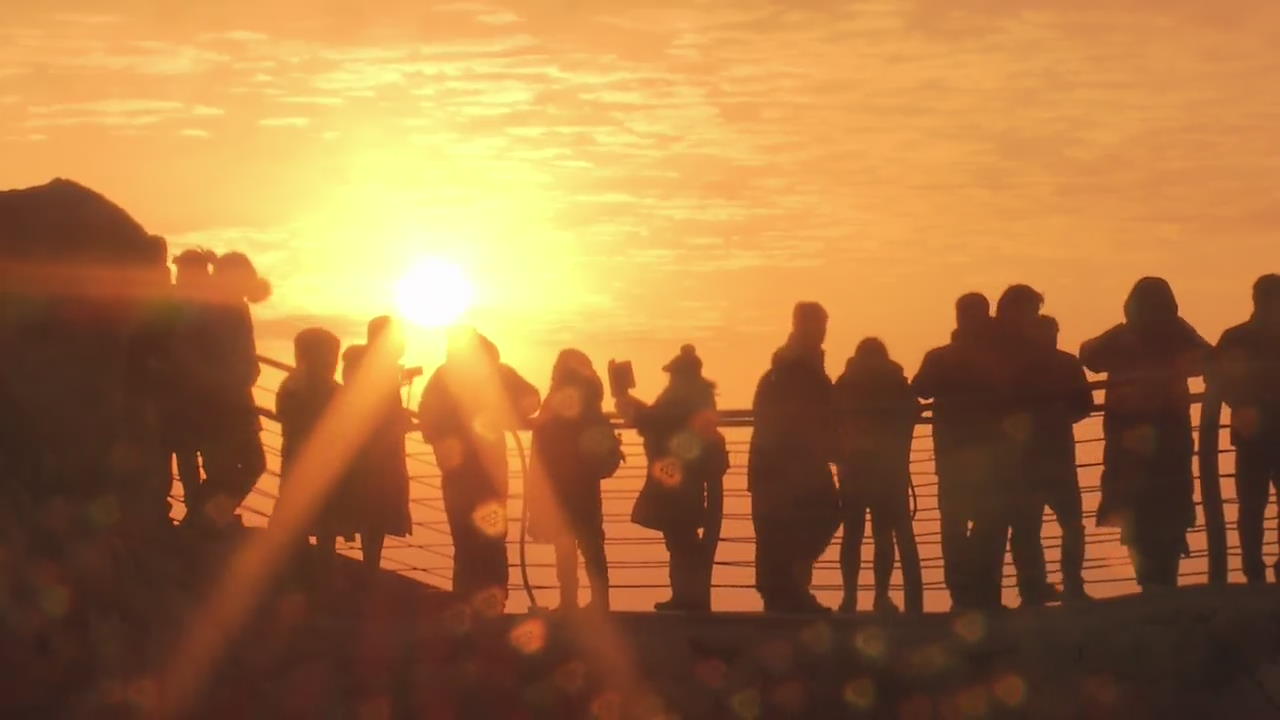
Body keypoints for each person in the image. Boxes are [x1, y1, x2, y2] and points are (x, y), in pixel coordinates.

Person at [1080, 277, 1209, 591]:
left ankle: (1149, 581)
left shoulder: (1126, 336)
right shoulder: (1178, 333)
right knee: (1168, 503)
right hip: (1169, 433)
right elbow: (1208, 358)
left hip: (1129, 435)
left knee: (1137, 509)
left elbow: (1088, 355)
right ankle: (1165, 579)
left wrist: (1125, 329)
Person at [419, 329, 540, 612]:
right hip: (480, 473)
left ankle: (469, 598)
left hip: (467, 474)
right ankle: (488, 601)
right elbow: (532, 399)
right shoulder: (491, 374)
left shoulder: (446, 377)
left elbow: (427, 416)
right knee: (484, 539)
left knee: (470, 540)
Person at [912, 293, 1005, 610]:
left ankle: (961, 593)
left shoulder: (940, 357)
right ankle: (985, 592)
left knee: (954, 525)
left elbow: (919, 388)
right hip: (990, 452)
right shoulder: (997, 356)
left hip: (952, 453)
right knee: (989, 524)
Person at [619, 345, 728, 612]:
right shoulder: (697, 396)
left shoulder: (685, 397)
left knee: (680, 538)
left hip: (679, 478)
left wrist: (633, 407)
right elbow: (661, 419)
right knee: (680, 537)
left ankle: (687, 596)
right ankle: (686, 594)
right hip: (683, 477)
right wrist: (637, 408)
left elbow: (661, 422)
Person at [749, 302, 840, 613]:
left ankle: (786, 589)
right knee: (809, 518)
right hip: (790, 462)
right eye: (819, 324)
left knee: (786, 527)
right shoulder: (798, 369)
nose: (823, 331)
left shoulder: (787, 367)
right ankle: (788, 589)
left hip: (780, 461)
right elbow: (813, 412)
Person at [833, 338, 923, 615]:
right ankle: (881, 596)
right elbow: (912, 411)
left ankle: (849, 597)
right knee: (884, 535)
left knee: (853, 535)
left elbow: (832, 417)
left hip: (853, 466)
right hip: (888, 468)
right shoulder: (895, 381)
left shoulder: (845, 383)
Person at [528, 350, 622, 611]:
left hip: (560, 480)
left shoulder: (557, 397)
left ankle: (568, 599)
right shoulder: (592, 398)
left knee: (564, 542)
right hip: (586, 480)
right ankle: (601, 600)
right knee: (591, 541)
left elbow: (546, 436)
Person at [187, 251, 270, 529]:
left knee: (226, 467)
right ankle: (206, 519)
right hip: (223, 398)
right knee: (246, 464)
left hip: (225, 396)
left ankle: (205, 519)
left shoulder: (222, 306)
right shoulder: (219, 308)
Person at [994, 284, 1061, 608]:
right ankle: (997, 592)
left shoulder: (1014, 343)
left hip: (1022, 447)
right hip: (1003, 448)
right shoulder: (1002, 346)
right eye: (1030, 311)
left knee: (1025, 522)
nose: (1033, 318)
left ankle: (1030, 587)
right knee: (1005, 523)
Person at [1021, 315, 1095, 601]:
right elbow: (1084, 405)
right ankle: (1068, 583)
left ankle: (1036, 587)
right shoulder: (1066, 364)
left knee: (1032, 527)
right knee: (1068, 524)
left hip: (1035, 457)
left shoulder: (1020, 367)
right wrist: (1061, 417)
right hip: (1055, 455)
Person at [1212, 274, 1280, 585]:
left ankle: (1253, 569)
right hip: (1253, 434)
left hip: (1250, 434)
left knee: (1251, 506)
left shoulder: (1234, 337)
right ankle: (1258, 568)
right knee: (1252, 505)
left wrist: (1242, 402)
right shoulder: (1235, 338)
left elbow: (1216, 380)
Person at [276, 327, 353, 567]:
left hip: (307, 460)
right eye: (330, 355)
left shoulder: (292, 385)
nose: (333, 362)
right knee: (318, 519)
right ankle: (314, 570)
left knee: (312, 519)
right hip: (312, 462)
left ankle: (308, 567)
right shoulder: (306, 387)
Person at [342, 316, 413, 569]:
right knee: (375, 509)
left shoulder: (358, 363)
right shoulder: (376, 366)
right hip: (377, 451)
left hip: (368, 449)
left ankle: (369, 564)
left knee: (369, 509)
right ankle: (370, 566)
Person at [168, 248, 217, 511]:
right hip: (184, 391)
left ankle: (202, 512)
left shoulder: (208, 302)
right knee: (189, 455)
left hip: (200, 391)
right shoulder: (182, 298)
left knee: (201, 457)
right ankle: (199, 511)